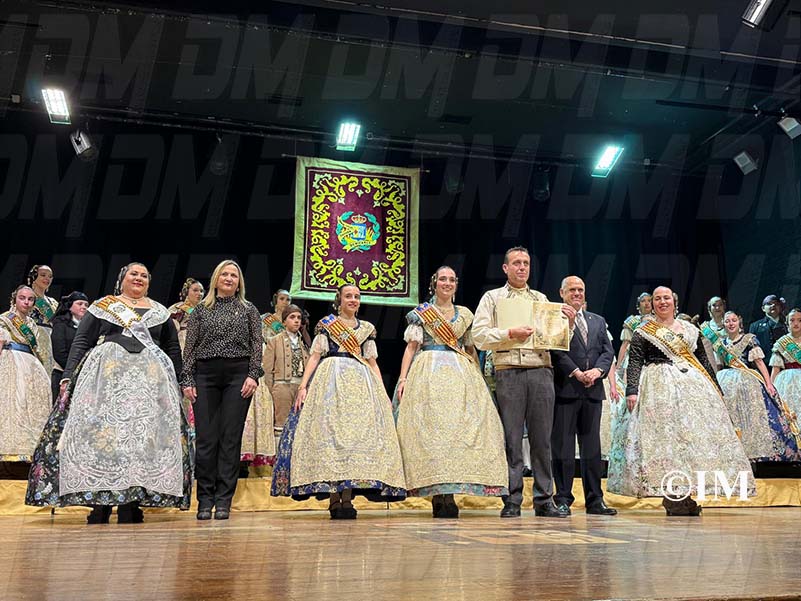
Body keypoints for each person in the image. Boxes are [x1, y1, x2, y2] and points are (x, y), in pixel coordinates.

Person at [25, 263, 192, 524]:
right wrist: (68, 375)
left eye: (144, 276)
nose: (139, 278)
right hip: (105, 383)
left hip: (149, 387)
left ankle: (131, 503)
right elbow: (82, 340)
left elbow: (172, 348)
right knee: (104, 441)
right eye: (133, 274)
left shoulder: (160, 312)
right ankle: (99, 504)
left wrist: (180, 381)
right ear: (122, 279)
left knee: (141, 443)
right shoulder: (104, 306)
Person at [608, 286, 755, 515]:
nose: (662, 302)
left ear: (674, 302)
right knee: (665, 442)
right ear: (652, 304)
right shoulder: (644, 330)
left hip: (691, 387)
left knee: (690, 441)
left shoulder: (690, 329)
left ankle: (685, 494)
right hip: (656, 387)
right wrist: (632, 390)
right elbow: (635, 360)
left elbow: (703, 361)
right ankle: (672, 496)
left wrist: (716, 388)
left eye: (666, 298)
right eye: (657, 299)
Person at [271, 284, 405, 519]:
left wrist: (383, 392)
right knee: (332, 438)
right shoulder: (327, 324)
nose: (353, 300)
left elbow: (372, 362)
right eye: (348, 296)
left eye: (357, 296)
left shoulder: (366, 329)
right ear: (339, 300)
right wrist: (303, 386)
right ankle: (334, 498)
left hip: (360, 384)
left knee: (354, 439)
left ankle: (348, 497)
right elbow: (315, 357)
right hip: (330, 380)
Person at [394, 267, 508, 518]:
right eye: (443, 279)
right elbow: (411, 348)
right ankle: (438, 494)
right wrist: (403, 378)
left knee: (456, 434)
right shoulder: (421, 314)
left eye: (452, 280)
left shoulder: (465, 314)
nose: (447, 283)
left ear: (456, 284)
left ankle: (451, 493)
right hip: (428, 371)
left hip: (460, 372)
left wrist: (478, 378)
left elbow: (469, 348)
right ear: (434, 283)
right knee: (433, 434)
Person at [472, 246, 576, 518]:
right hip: (509, 371)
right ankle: (512, 499)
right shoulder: (493, 298)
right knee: (512, 438)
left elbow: (555, 340)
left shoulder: (540, 299)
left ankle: (544, 499)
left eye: (526, 263)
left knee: (542, 440)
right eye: (516, 263)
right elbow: (478, 336)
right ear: (505, 268)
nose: (521, 267)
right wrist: (509, 333)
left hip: (541, 370)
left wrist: (568, 324)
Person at [181, 259, 263, 520]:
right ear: (216, 279)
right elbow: (190, 348)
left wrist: (253, 375)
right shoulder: (200, 311)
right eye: (225, 274)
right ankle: (205, 500)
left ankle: (224, 500)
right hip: (205, 375)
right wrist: (187, 379)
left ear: (239, 283)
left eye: (234, 276)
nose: (229, 278)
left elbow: (257, 345)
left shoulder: (249, 310)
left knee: (230, 439)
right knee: (206, 439)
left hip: (238, 376)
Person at [551, 277, 616, 516]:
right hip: (566, 390)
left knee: (592, 449)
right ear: (562, 293)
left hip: (592, 391)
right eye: (572, 290)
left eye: (580, 290)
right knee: (563, 448)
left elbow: (608, 352)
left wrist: (598, 371)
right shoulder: (554, 318)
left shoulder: (597, 320)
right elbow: (555, 351)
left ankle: (595, 500)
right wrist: (576, 372)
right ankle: (563, 499)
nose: (577, 293)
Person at [712, 311, 800, 461]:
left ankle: (754, 449)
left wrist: (769, 383)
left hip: (746, 380)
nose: (731, 323)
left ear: (739, 322)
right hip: (726, 381)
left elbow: (759, 363)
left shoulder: (749, 339)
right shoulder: (721, 344)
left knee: (751, 414)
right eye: (727, 321)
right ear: (723, 324)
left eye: (734, 320)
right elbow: (719, 366)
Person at [0, 286, 52, 468]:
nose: (26, 302)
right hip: (11, 361)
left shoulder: (32, 324)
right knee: (13, 403)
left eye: (30, 299)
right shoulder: (5, 319)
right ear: (15, 300)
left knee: (31, 405)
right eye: (22, 298)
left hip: (31, 365)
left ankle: (29, 450)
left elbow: (38, 349)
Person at [262, 304, 308, 454]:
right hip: (282, 387)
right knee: (281, 424)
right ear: (284, 321)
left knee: (300, 425)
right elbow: (267, 370)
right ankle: (280, 458)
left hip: (301, 388)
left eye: (299, 317)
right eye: (292, 317)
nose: (296, 320)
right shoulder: (274, 341)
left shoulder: (304, 342)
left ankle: (295, 458)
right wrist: (274, 389)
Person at [50, 291, 89, 401]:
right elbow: (59, 353)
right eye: (80, 304)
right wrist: (72, 370)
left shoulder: (87, 328)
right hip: (61, 374)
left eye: (86, 305)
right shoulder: (60, 324)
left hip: (81, 377)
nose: (84, 307)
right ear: (70, 306)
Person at [769, 308, 801, 426]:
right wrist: (771, 388)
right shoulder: (781, 343)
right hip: (787, 383)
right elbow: (776, 368)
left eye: (799, 320)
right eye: (792, 320)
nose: (796, 323)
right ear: (787, 324)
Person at [26, 265, 59, 374]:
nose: (47, 279)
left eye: (50, 276)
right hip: (33, 338)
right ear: (34, 277)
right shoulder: (26, 298)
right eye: (43, 275)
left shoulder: (53, 302)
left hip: (50, 342)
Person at [168, 278, 205, 350]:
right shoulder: (178, 308)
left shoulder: (205, 311)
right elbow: (170, 329)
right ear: (187, 292)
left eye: (201, 291)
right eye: (195, 290)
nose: (199, 294)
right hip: (183, 343)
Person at [750, 295, 788, 359]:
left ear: (780, 307)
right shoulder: (755, 326)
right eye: (769, 304)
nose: (773, 305)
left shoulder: (787, 324)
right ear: (763, 308)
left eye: (776, 304)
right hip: (763, 362)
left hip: (785, 361)